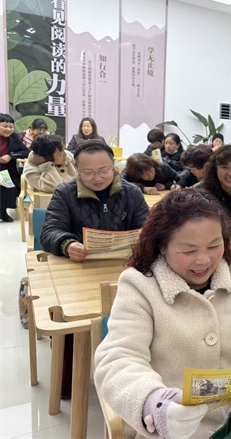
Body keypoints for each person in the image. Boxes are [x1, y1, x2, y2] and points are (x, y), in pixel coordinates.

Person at [94, 189, 231, 439]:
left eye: (214, 245)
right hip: (172, 428)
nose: (203, 260)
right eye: (188, 251)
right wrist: (156, 404)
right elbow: (119, 358)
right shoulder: (139, 285)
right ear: (161, 246)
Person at [40, 140, 149, 399]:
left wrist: (143, 240)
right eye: (88, 173)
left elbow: (148, 228)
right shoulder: (65, 192)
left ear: (114, 167)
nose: (97, 178)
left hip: (122, 269)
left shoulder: (132, 193)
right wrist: (67, 244)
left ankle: (137, 373)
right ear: (77, 170)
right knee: (71, 316)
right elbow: (50, 231)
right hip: (79, 271)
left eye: (104, 170)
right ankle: (68, 382)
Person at [0, 113, 29, 222]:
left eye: (11, 127)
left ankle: (2, 211)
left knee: (12, 186)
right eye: (5, 126)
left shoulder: (14, 138)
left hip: (7, 172)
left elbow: (26, 152)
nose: (8, 129)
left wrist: (10, 156)